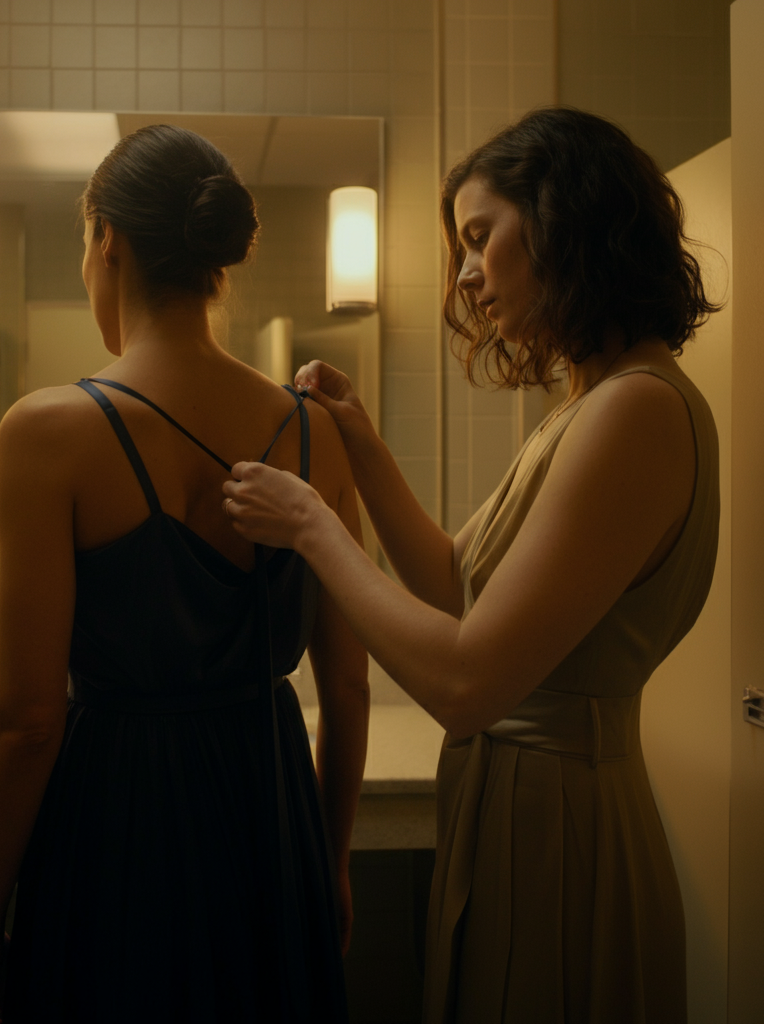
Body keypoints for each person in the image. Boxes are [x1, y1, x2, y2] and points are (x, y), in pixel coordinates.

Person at [222, 106, 721, 1023]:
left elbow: (464, 682)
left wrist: (312, 528)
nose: (465, 274)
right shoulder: (589, 406)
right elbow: (458, 584)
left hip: (563, 832)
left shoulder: (635, 411)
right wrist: (361, 445)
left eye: (480, 239)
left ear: (564, 221)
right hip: (521, 810)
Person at [0, 124, 369, 1023]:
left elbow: (26, 723)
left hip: (117, 822)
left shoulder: (46, 431)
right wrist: (327, 862)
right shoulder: (315, 431)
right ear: (215, 261)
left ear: (109, 241)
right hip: (272, 812)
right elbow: (347, 682)